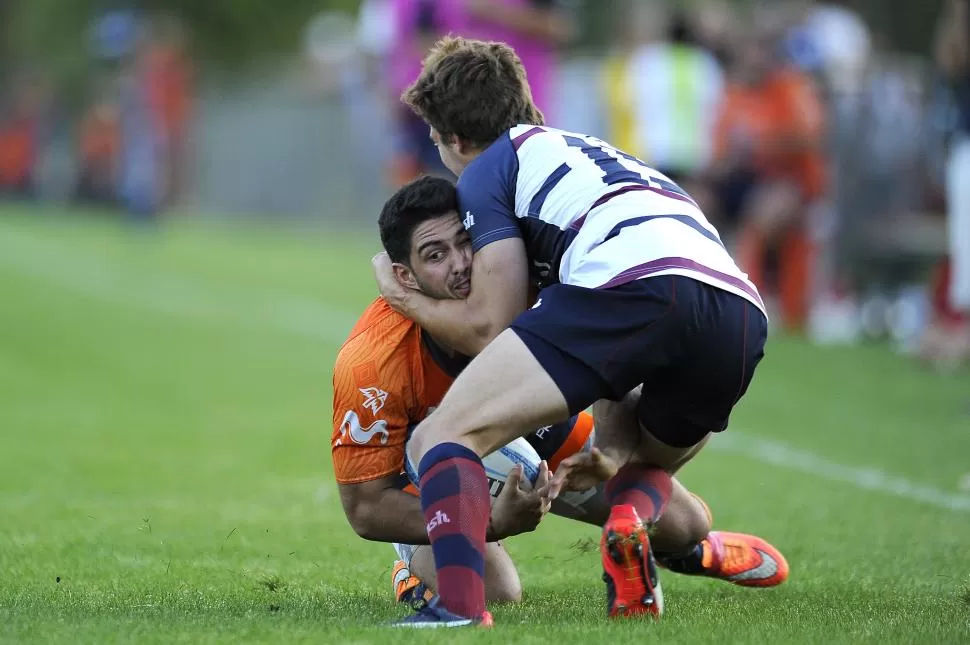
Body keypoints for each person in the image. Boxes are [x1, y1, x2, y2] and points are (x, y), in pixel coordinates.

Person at [372, 37, 775, 626]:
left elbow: (492, 322)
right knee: (632, 459)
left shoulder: (488, 169)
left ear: (455, 139)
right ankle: (627, 526)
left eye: (436, 141)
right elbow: (622, 336)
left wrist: (403, 297)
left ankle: (456, 610)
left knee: (443, 435)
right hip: (737, 308)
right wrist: (607, 442)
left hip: (638, 280)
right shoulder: (590, 152)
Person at [336, 177, 787, 615]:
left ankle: (688, 551)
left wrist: (615, 447)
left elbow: (611, 368)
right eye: (436, 255)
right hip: (428, 461)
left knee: (684, 523)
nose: (461, 264)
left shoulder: (525, 274)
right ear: (404, 277)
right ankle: (411, 572)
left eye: (465, 241)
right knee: (497, 592)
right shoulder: (372, 362)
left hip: (533, 421)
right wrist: (493, 521)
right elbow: (366, 507)